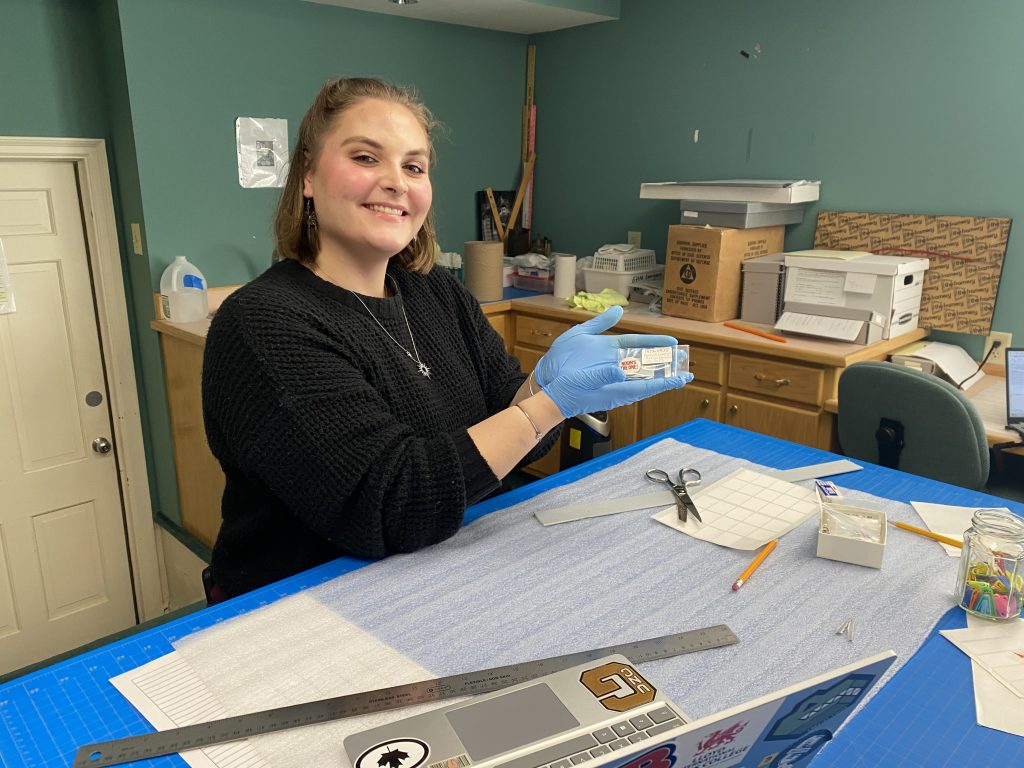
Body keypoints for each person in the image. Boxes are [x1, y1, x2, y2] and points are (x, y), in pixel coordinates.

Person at [201, 77, 693, 599]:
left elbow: (505, 422)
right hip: (301, 610)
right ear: (307, 176)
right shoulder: (264, 324)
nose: (396, 182)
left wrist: (540, 390)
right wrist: (546, 407)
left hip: (448, 571)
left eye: (414, 166)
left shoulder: (433, 291)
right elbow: (391, 505)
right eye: (366, 158)